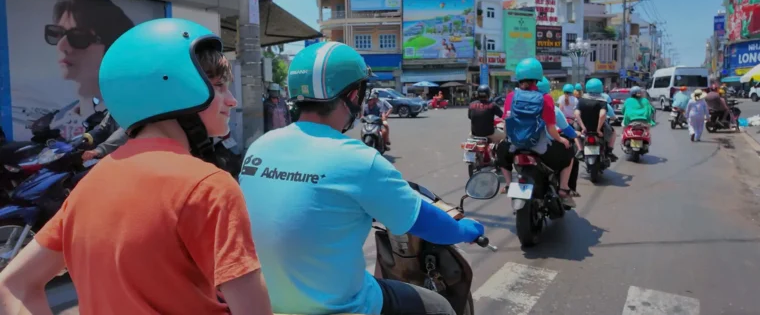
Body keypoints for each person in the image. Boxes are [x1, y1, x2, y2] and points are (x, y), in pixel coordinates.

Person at [0, 19, 273, 315]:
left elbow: (13, 285)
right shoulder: (208, 186)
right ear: (175, 88)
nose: (232, 101)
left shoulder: (88, 185)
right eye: (219, 87)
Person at [239, 41, 483, 315]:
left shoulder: (260, 146)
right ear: (354, 96)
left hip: (266, 302)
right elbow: (425, 222)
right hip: (343, 307)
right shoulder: (359, 160)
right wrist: (465, 230)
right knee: (439, 307)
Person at [42, 0, 135, 140]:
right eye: (57, 34)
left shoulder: (132, 119)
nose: (61, 46)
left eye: (78, 36)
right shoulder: (56, 122)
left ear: (113, 47)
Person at [498, 58, 575, 206]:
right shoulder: (545, 98)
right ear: (538, 77)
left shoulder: (511, 97)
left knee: (500, 151)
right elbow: (551, 128)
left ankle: (508, 184)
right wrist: (562, 140)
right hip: (540, 149)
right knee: (569, 153)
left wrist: (507, 140)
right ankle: (563, 189)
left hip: (515, 148)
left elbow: (506, 123)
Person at [537, 77, 581, 197]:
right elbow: (566, 129)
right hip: (546, 147)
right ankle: (564, 187)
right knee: (570, 153)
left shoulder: (520, 104)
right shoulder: (552, 108)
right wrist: (575, 134)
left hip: (522, 146)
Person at [573, 79, 617, 162]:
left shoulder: (581, 100)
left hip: (585, 129)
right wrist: (598, 129)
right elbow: (602, 115)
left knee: (575, 133)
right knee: (613, 132)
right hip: (599, 129)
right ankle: (609, 151)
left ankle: (580, 150)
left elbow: (576, 114)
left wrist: (583, 127)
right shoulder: (602, 101)